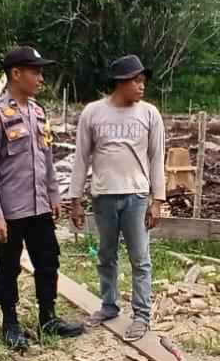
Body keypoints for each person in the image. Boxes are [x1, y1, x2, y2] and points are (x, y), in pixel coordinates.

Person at [0, 45, 84, 351]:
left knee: (48, 259)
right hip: (11, 210)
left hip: (39, 205)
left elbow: (47, 158)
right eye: (35, 71)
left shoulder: (38, 112)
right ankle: (10, 322)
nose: (41, 77)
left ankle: (47, 316)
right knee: (9, 266)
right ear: (16, 73)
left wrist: (54, 195)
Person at [67, 55, 166, 342]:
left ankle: (141, 315)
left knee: (140, 258)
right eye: (137, 81)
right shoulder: (93, 113)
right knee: (106, 255)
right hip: (103, 196)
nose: (142, 86)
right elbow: (81, 159)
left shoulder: (149, 114)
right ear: (120, 82)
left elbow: (157, 158)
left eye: (143, 81)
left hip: (136, 195)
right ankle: (109, 306)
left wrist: (157, 200)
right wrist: (75, 199)